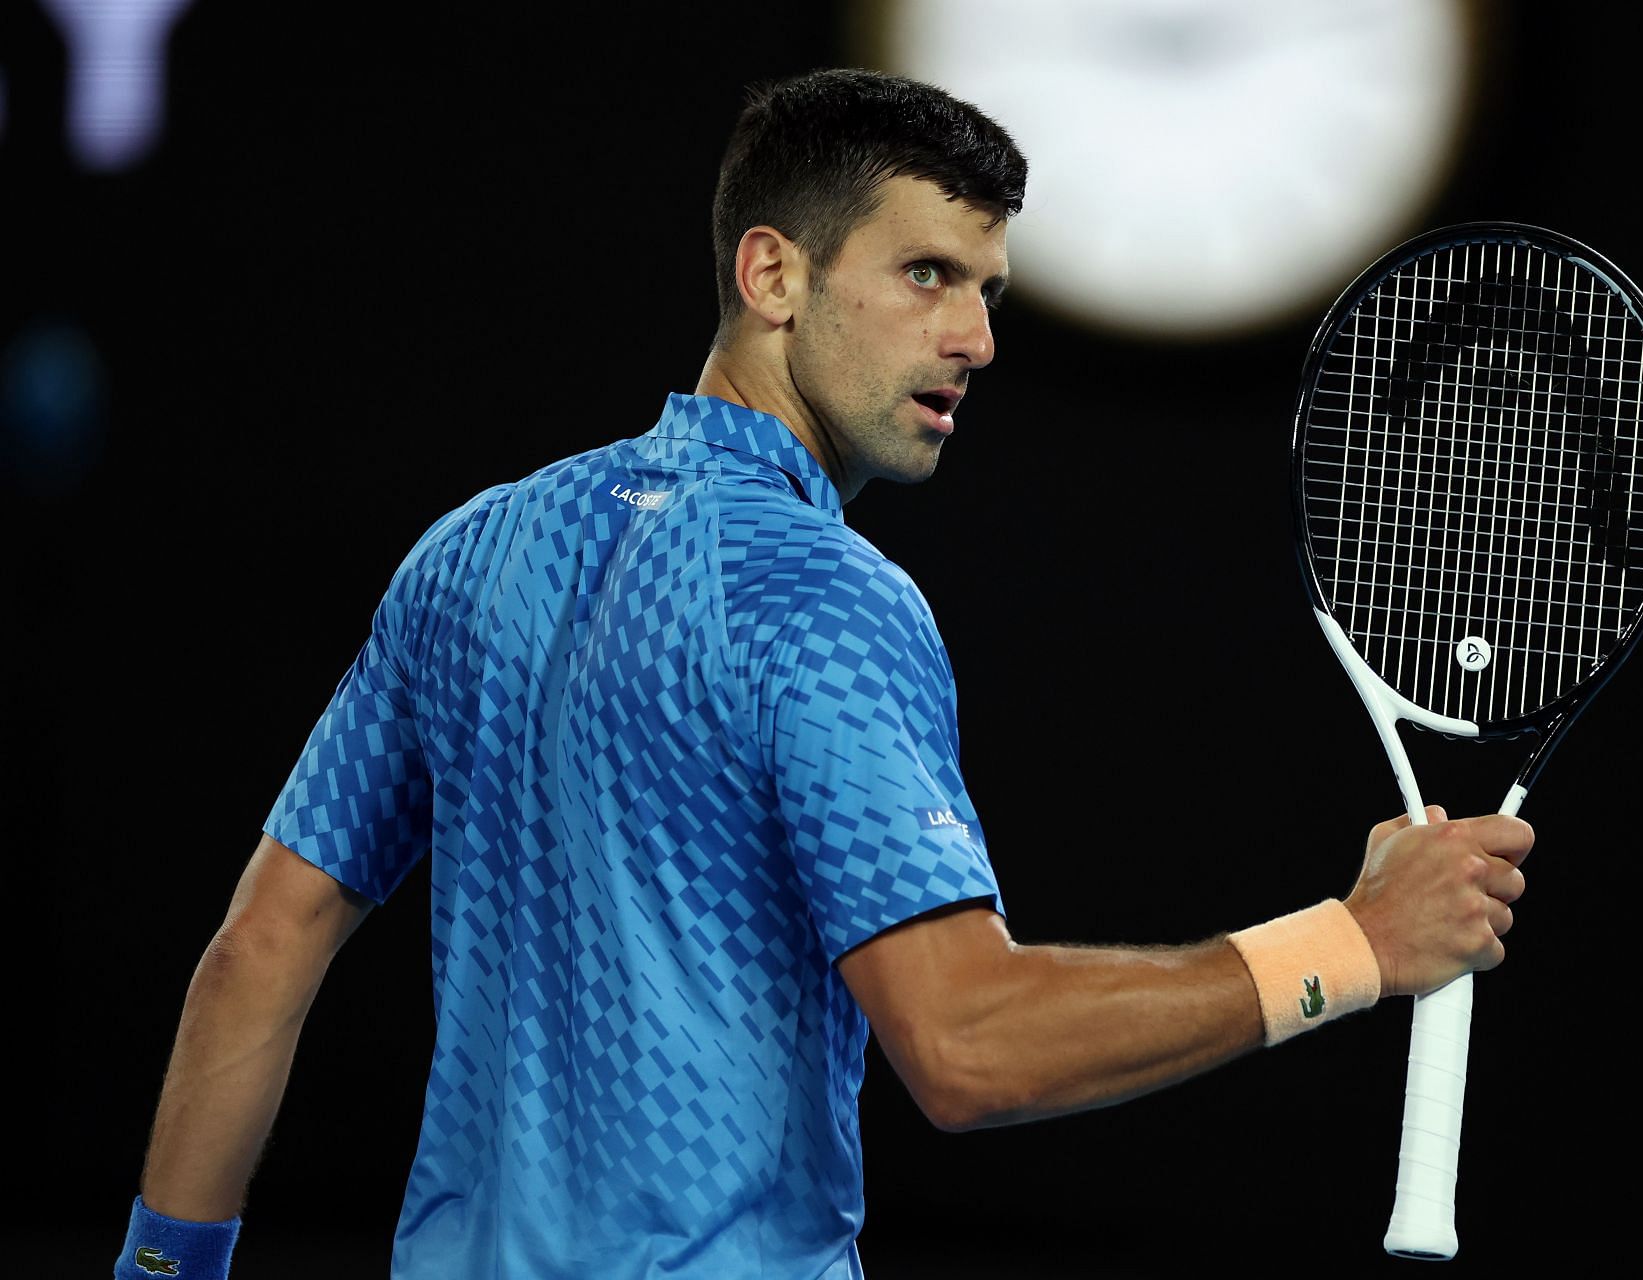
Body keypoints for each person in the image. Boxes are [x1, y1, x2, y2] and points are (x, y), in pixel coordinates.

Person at [114, 68, 1532, 1279]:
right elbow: (968, 1048)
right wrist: (1354, 944)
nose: (974, 339)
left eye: (986, 291)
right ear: (773, 273)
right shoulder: (825, 599)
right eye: (926, 275)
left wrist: (163, 1267)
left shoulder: (473, 551)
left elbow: (258, 953)